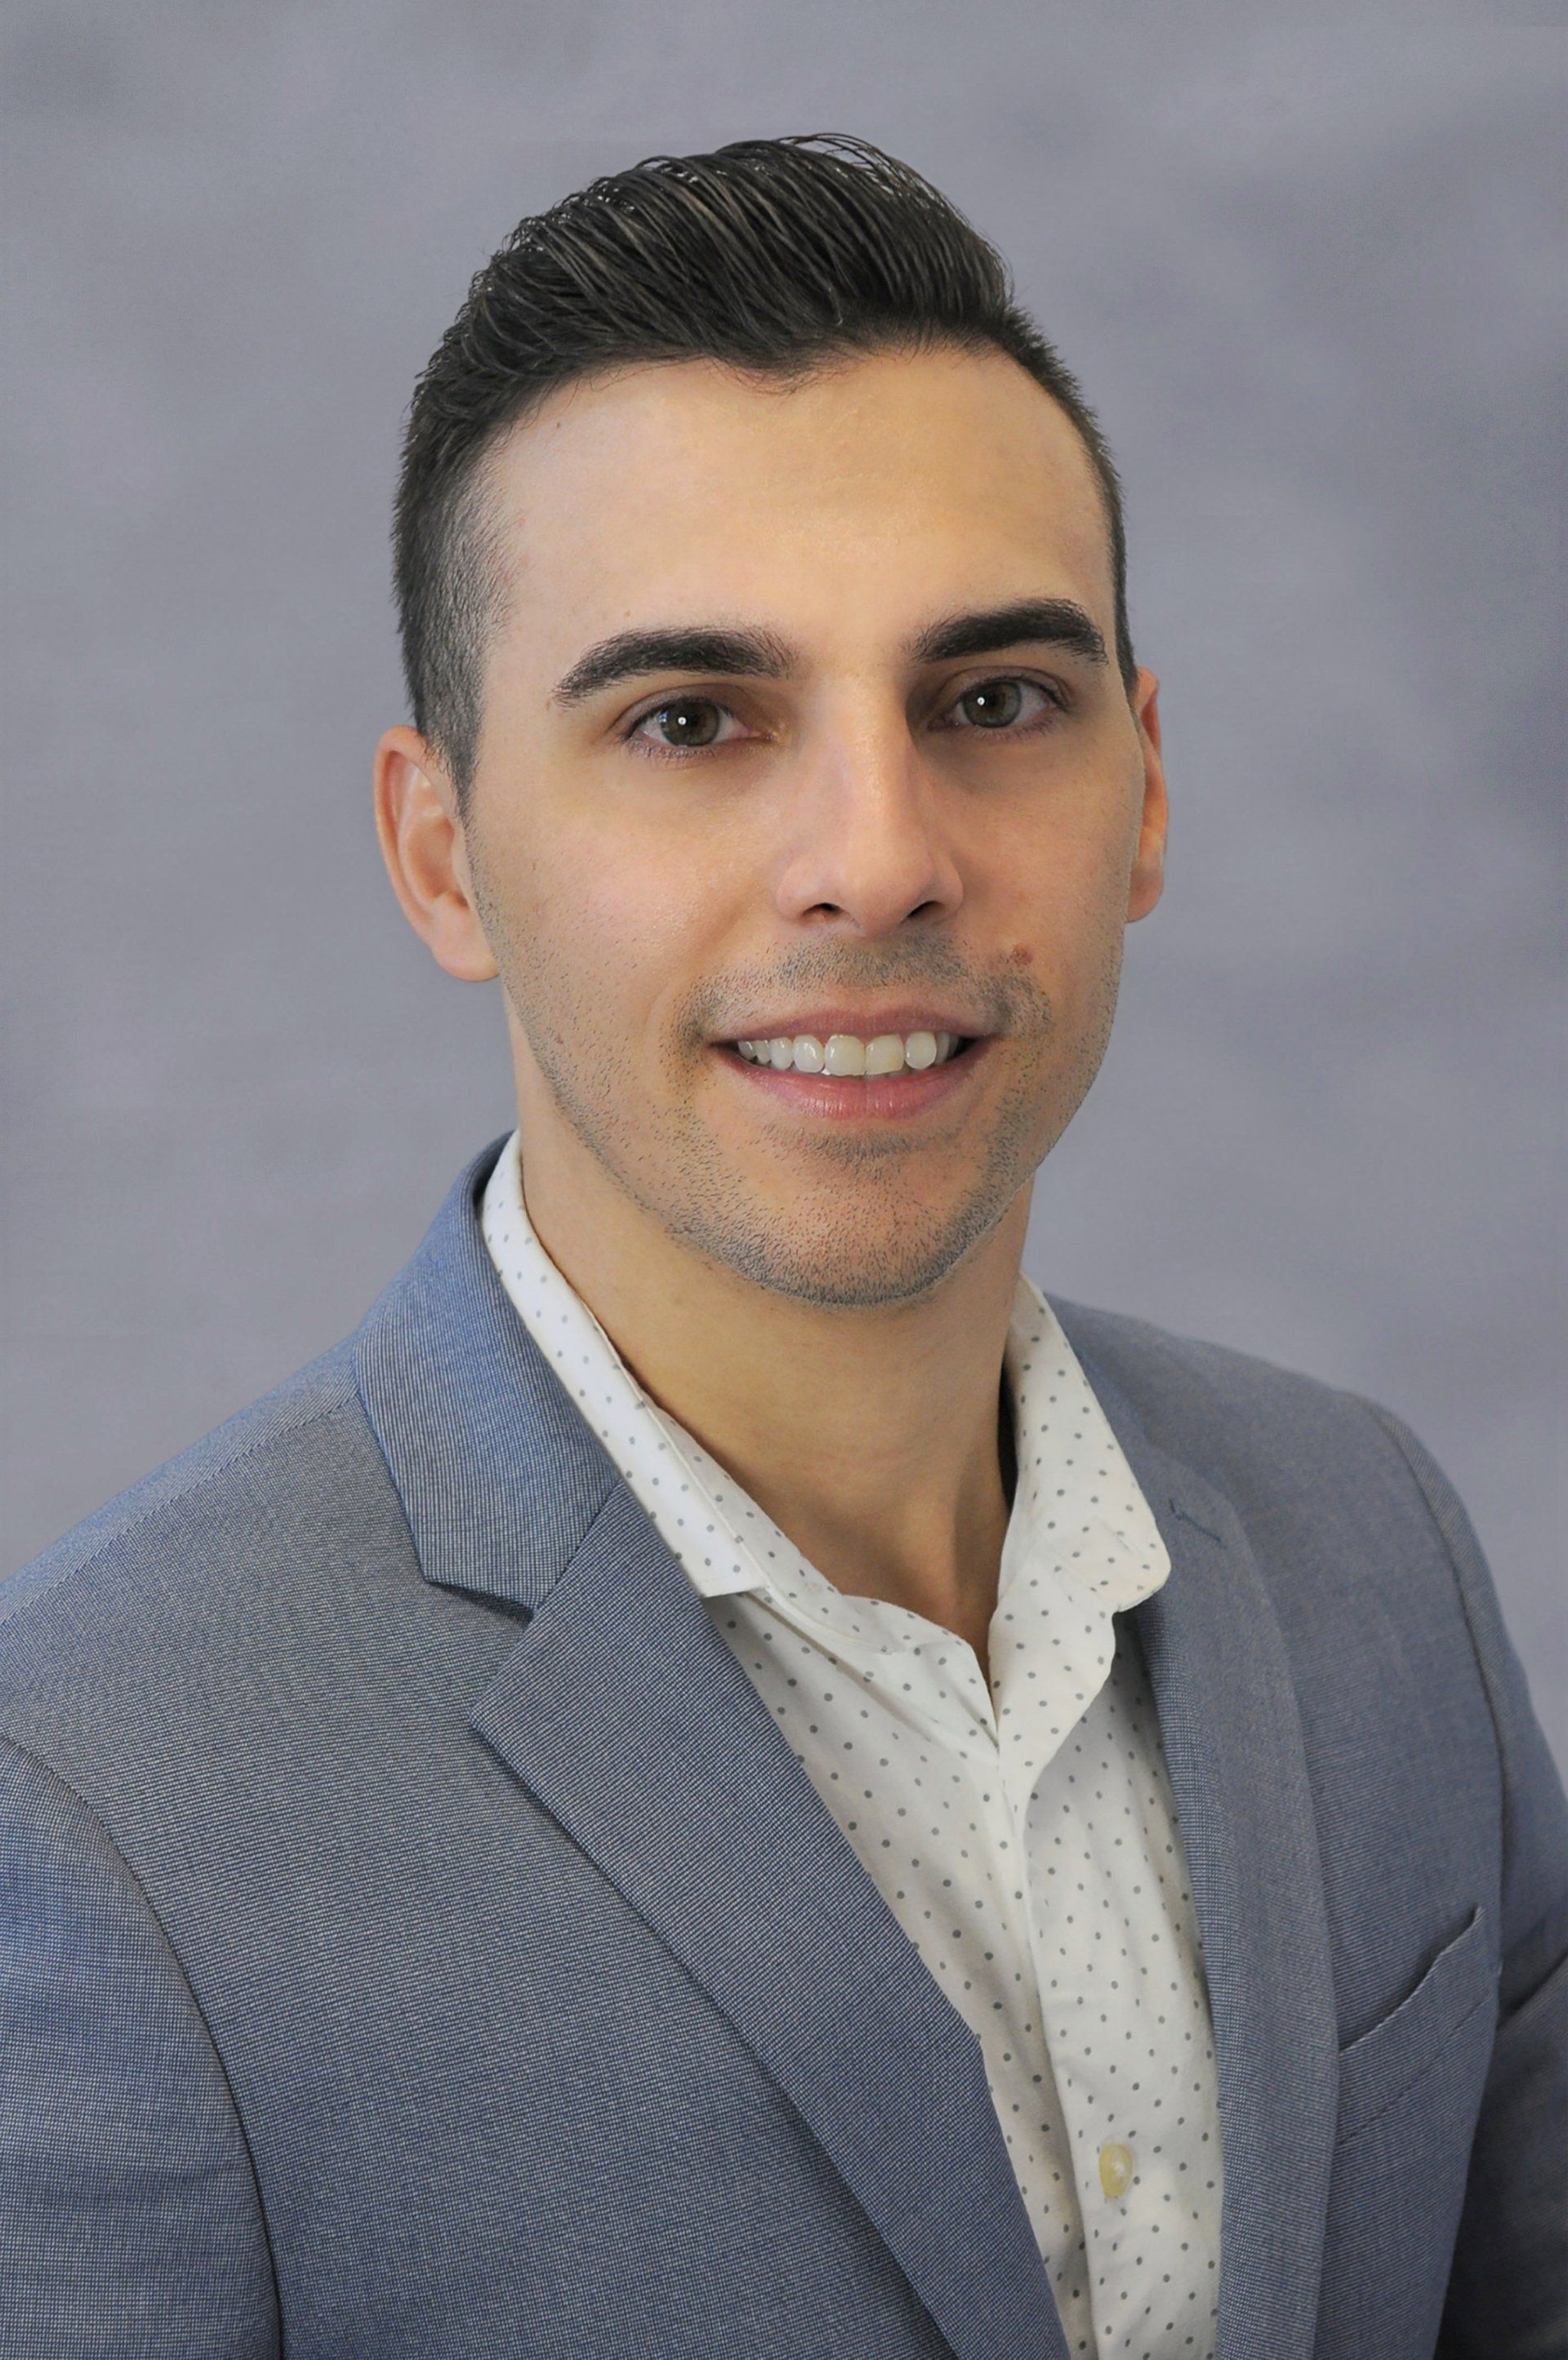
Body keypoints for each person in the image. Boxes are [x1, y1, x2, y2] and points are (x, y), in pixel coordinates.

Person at [2, 133, 1561, 2360]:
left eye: (995, 697)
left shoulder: (1372, 1544)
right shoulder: (89, 1820)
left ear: (1143, 788)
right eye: (694, 721)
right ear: (442, 855)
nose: (879, 854)